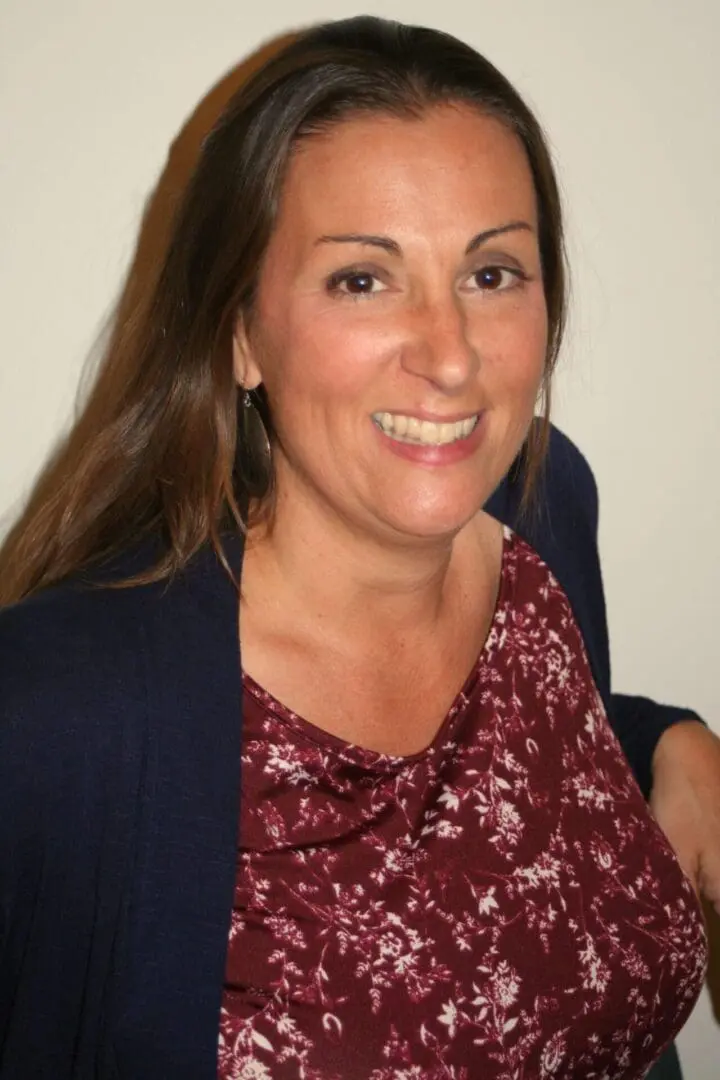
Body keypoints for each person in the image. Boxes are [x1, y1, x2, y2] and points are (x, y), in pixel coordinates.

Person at [0, 15, 716, 1079]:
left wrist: (667, 740)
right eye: (362, 279)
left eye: (492, 274)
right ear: (240, 332)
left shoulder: (543, 504)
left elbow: (528, 774)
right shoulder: (57, 716)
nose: (451, 357)